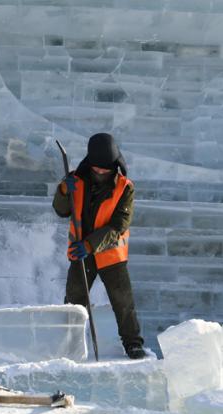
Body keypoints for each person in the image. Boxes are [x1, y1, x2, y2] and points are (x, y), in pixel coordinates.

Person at [53, 133, 146, 359]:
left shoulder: (125, 188)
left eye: (106, 169)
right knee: (74, 300)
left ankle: (132, 343)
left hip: (111, 254)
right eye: (97, 169)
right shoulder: (77, 180)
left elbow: (118, 226)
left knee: (123, 301)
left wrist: (90, 245)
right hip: (81, 254)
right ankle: (69, 343)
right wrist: (64, 191)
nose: (101, 173)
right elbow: (61, 210)